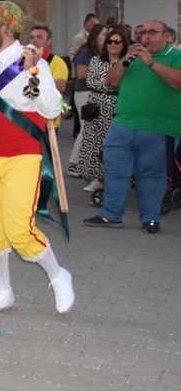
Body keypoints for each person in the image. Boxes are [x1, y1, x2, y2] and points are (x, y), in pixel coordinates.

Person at [0, 1, 75, 315]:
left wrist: (34, 71)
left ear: (5, 26)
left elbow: (53, 110)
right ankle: (3, 290)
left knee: (19, 229)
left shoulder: (32, 61)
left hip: (22, 155)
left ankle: (58, 276)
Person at [85, 19, 181, 233]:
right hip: (123, 124)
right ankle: (111, 215)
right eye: (143, 32)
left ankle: (151, 219)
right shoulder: (131, 57)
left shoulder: (176, 57)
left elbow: (177, 82)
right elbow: (111, 81)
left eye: (152, 32)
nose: (145, 37)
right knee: (115, 171)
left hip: (160, 128)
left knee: (152, 175)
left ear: (167, 36)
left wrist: (151, 63)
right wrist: (126, 59)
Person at [77, 25, 126, 193]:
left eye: (117, 41)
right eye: (109, 41)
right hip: (97, 107)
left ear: (123, 43)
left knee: (113, 146)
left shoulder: (126, 63)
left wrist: (108, 82)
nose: (113, 44)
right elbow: (91, 81)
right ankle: (98, 179)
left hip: (117, 107)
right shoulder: (96, 60)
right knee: (94, 143)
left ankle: (113, 178)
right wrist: (110, 83)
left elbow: (122, 84)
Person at [67, 24, 101, 172]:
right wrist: (104, 70)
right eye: (105, 34)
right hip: (84, 93)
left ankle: (86, 163)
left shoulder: (100, 52)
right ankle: (74, 164)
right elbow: (81, 74)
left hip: (94, 93)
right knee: (86, 129)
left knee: (91, 130)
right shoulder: (86, 52)